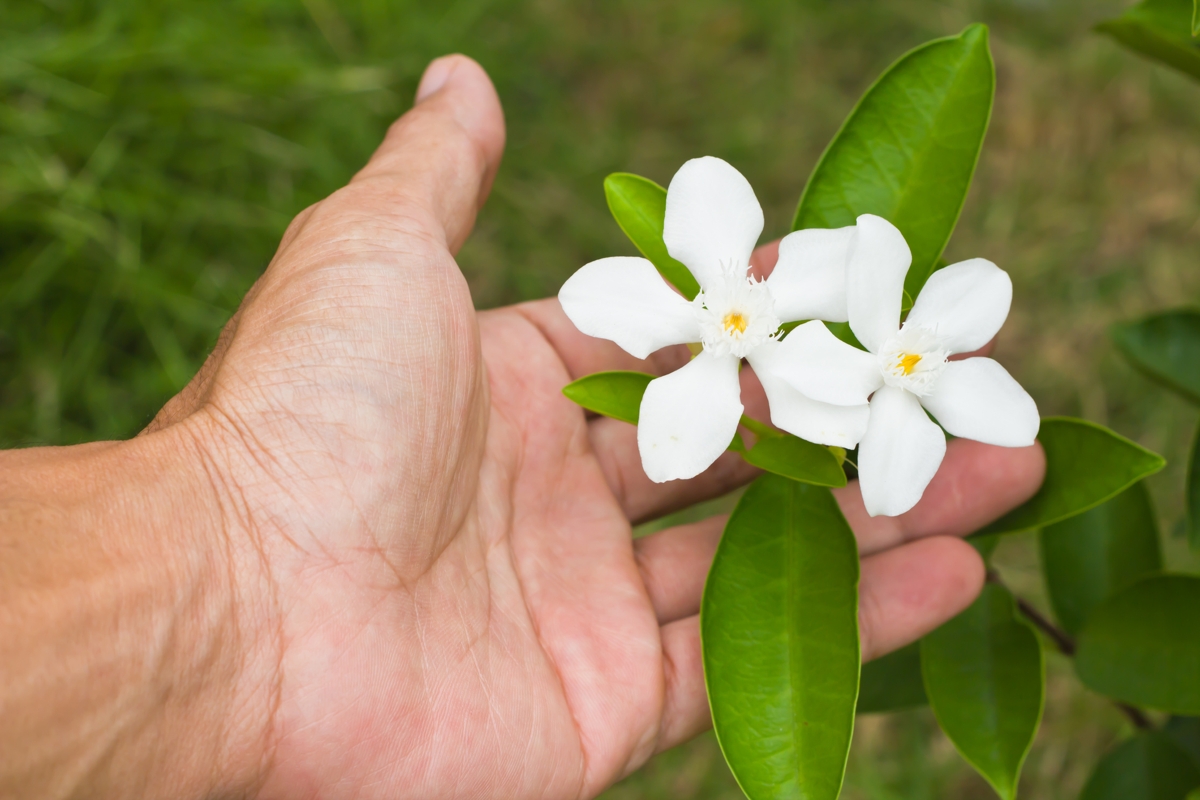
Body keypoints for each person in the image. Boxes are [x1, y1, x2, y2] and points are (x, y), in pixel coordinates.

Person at [0, 55, 1044, 799]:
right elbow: (686, 344)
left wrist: (238, 578)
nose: (734, 315)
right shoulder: (696, 365)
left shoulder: (828, 339)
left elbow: (838, 362)